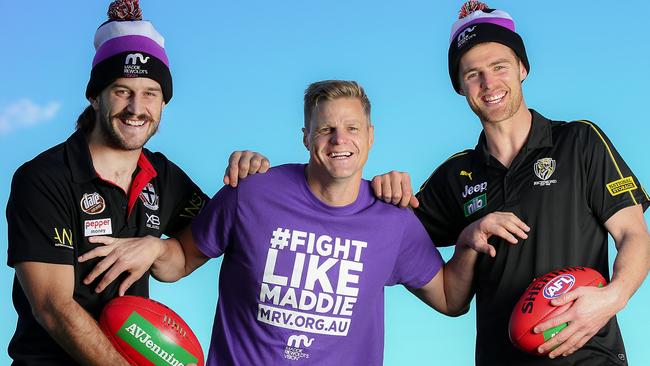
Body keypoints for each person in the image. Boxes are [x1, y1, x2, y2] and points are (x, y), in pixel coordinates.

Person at [81, 80, 501, 365]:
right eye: (326, 130)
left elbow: (449, 299)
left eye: (352, 128)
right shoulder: (251, 191)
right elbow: (181, 261)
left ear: (371, 136)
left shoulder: (393, 218)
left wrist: (467, 243)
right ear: (306, 137)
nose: (340, 140)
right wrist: (156, 247)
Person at [371, 2, 650, 365]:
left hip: (589, 357)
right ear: (460, 87)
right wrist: (381, 190)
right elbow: (390, 234)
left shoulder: (580, 141)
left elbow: (633, 234)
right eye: (473, 74)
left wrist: (612, 298)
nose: (489, 83)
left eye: (499, 66)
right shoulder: (455, 177)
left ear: (522, 68)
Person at [5, 1, 266, 364]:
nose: (136, 107)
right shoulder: (45, 178)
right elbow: (53, 307)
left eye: (150, 93)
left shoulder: (163, 177)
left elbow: (198, 248)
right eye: (122, 91)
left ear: (163, 103)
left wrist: (251, 176)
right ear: (95, 96)